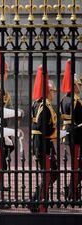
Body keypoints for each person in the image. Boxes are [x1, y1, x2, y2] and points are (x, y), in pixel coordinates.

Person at [30, 65, 59, 213]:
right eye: (52, 91)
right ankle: (37, 201)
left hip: (39, 142)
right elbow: (43, 127)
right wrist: (56, 132)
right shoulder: (44, 106)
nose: (53, 93)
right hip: (42, 143)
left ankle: (39, 199)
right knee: (49, 173)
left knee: (49, 172)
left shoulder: (37, 103)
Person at [60, 59, 82, 201]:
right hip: (78, 134)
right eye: (78, 85)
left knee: (75, 164)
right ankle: (72, 192)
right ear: (73, 86)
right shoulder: (76, 101)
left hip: (67, 132)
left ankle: (72, 189)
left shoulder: (63, 99)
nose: (79, 87)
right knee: (77, 165)